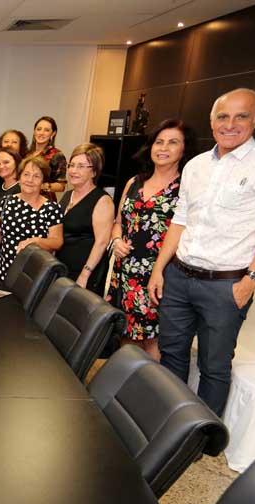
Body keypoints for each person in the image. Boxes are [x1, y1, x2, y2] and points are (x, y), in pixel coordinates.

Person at [147, 88, 255, 414]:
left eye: (241, 116)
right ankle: (169, 421)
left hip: (227, 285)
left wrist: (249, 283)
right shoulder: (196, 165)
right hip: (179, 276)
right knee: (172, 354)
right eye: (223, 116)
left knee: (214, 365)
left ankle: (202, 434)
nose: (230, 124)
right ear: (212, 122)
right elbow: (180, 221)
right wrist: (159, 269)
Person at [107, 119, 196, 361]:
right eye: (159, 142)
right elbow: (118, 223)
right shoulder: (133, 182)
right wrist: (117, 241)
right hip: (125, 270)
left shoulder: (186, 189)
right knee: (126, 332)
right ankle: (125, 381)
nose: (163, 148)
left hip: (160, 274)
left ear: (184, 149)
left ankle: (146, 385)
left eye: (172, 142)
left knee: (153, 339)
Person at [0, 155, 63, 282]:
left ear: (43, 182)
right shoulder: (6, 202)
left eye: (36, 176)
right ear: (20, 177)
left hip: (31, 277)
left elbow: (57, 242)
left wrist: (36, 241)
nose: (30, 180)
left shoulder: (52, 208)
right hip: (3, 271)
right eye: (26, 174)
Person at [55, 143, 114, 294]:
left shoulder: (102, 200)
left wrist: (84, 275)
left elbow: (102, 242)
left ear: (94, 172)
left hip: (85, 272)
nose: (73, 171)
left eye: (81, 166)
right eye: (71, 165)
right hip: (63, 267)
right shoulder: (68, 195)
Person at [28, 117, 67, 201]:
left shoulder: (57, 155)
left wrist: (41, 186)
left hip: (43, 201)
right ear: (34, 132)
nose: (41, 133)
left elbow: (61, 186)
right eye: (39, 129)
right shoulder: (27, 154)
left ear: (53, 133)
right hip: (25, 198)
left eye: (46, 130)